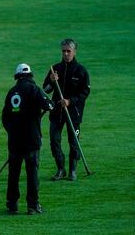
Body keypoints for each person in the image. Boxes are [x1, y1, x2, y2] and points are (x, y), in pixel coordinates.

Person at [2, 63, 54, 215]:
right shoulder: (34, 89)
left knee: (13, 174)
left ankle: (12, 204)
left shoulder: (11, 92)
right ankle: (32, 205)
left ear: (17, 77)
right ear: (30, 75)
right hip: (31, 140)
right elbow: (49, 106)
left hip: (14, 141)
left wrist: (12, 132)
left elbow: (5, 117)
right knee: (32, 174)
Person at [43, 38, 90, 181]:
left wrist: (70, 101)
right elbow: (46, 89)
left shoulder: (81, 71)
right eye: (63, 51)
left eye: (68, 51)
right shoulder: (55, 69)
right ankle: (60, 169)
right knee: (54, 141)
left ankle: (73, 170)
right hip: (57, 112)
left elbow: (85, 92)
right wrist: (51, 80)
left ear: (74, 52)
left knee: (73, 141)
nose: (65, 54)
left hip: (74, 113)